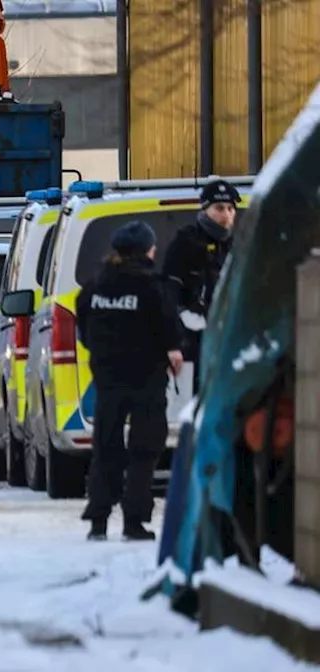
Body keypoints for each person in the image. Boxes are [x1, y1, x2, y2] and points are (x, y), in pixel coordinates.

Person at [75, 221, 184, 542]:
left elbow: (85, 332)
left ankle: (98, 520)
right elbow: (168, 329)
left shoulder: (94, 286)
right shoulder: (151, 285)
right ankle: (134, 521)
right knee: (144, 450)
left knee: (106, 448)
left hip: (108, 379)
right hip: (147, 379)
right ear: (147, 250)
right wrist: (172, 352)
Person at [161, 179, 239, 383]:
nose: (226, 215)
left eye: (231, 208)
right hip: (191, 341)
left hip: (227, 338)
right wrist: (183, 324)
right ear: (205, 210)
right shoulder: (186, 243)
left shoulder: (237, 244)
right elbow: (170, 293)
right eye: (219, 208)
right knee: (189, 404)